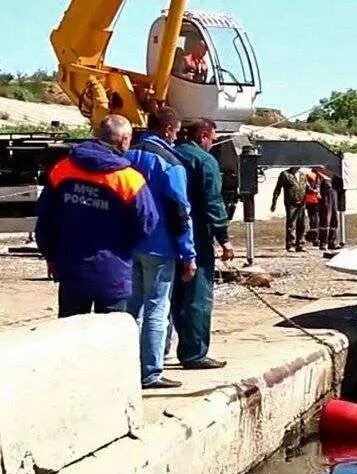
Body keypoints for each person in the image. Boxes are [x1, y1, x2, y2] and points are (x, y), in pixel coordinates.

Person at [35, 114, 158, 318]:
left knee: (72, 337)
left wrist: (51, 255)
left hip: (71, 269)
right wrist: (124, 246)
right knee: (110, 341)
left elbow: (45, 219)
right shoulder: (128, 179)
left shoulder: (62, 169)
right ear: (124, 139)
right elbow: (147, 222)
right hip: (113, 272)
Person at [126, 106, 196, 389]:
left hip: (128, 243)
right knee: (157, 308)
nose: (177, 137)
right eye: (177, 132)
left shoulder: (126, 156)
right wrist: (188, 253)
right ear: (168, 129)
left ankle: (126, 366)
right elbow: (180, 209)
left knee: (131, 309)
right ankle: (150, 371)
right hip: (160, 245)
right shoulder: (170, 162)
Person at [173, 118, 234, 370]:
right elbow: (213, 202)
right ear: (204, 135)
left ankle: (172, 348)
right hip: (197, 234)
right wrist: (225, 239)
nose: (214, 143)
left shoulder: (171, 154)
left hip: (169, 235)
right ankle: (194, 353)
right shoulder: (205, 161)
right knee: (197, 296)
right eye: (213, 138)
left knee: (175, 295)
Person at [270, 166, 307, 252]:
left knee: (302, 224)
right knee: (291, 224)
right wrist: (274, 202)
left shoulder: (303, 175)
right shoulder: (285, 174)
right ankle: (290, 244)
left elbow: (305, 188)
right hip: (291, 203)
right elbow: (277, 189)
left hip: (302, 202)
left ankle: (300, 244)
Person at [315, 166, 339, 250]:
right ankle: (323, 242)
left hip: (334, 200)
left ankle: (332, 242)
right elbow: (316, 188)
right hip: (325, 200)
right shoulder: (319, 175)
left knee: (334, 220)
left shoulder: (335, 176)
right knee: (325, 221)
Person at [303, 169, 321, 247]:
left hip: (315, 200)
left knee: (315, 220)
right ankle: (315, 238)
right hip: (312, 200)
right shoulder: (310, 175)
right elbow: (307, 186)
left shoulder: (318, 176)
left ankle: (316, 238)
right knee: (314, 220)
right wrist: (314, 191)